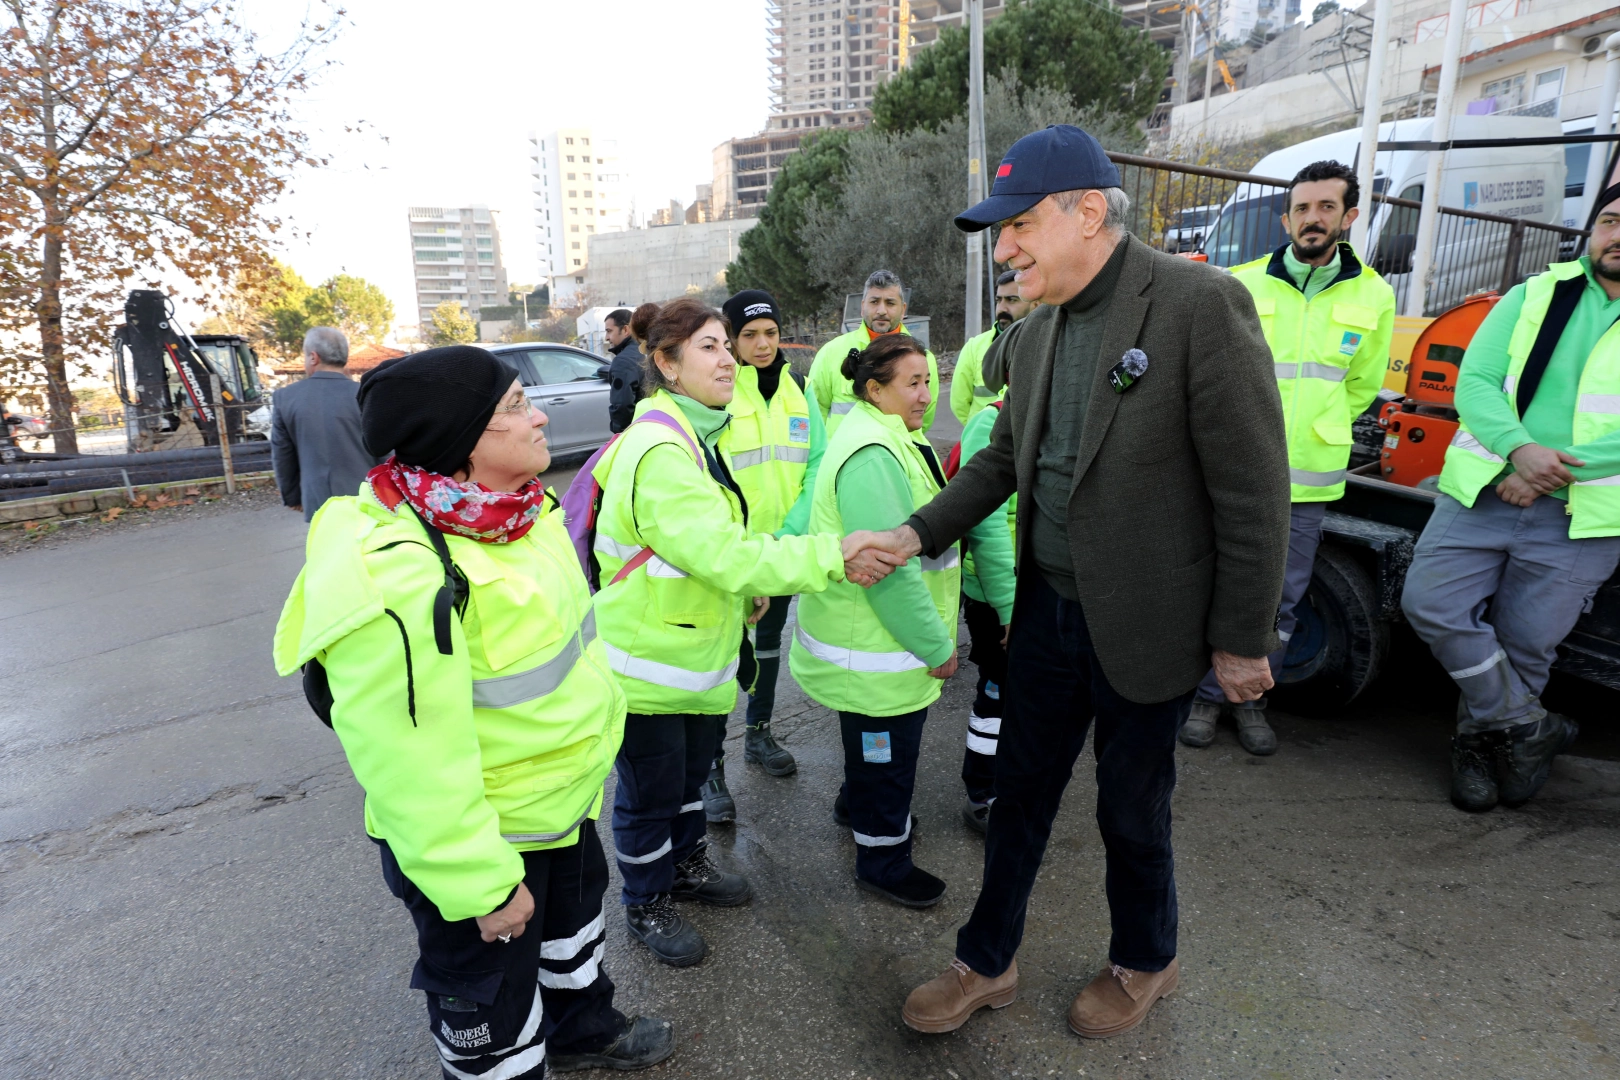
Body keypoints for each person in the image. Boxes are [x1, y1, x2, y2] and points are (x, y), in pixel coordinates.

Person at [864, 124, 1288, 1039]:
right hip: (1049, 614)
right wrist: (912, 531)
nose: (1003, 249)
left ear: (1087, 213)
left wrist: (1242, 637)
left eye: (1017, 226)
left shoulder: (1199, 306)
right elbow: (1001, 462)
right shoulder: (1038, 332)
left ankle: (1146, 960)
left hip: (1150, 620)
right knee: (1019, 791)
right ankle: (988, 961)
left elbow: (1252, 491)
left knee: (1132, 809)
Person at [271, 346, 673, 1078]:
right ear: (461, 445)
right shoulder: (401, 572)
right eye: (516, 407)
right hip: (482, 842)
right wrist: (480, 884)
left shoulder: (518, 512)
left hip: (559, 808)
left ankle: (583, 1029)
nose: (541, 413)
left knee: (572, 940)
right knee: (488, 1012)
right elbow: (407, 763)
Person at [590, 297, 896, 967]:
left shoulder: (697, 434)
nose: (727, 356)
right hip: (650, 667)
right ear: (665, 365)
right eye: (708, 346)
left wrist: (750, 588)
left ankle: (687, 864)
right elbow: (722, 551)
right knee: (649, 795)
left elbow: (715, 551)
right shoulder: (661, 450)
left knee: (690, 775)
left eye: (725, 344)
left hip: (693, 656)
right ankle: (648, 899)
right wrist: (830, 555)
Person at [1401, 184, 1620, 813]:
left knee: (1525, 644)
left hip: (1584, 515)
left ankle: (1480, 747)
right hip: (1484, 490)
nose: (1616, 234)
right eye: (1608, 220)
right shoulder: (1533, 295)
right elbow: (1475, 382)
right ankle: (1529, 726)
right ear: (1591, 230)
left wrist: (1546, 471)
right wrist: (1520, 449)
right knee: (1431, 605)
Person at [1180, 160, 1394, 756]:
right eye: (1302, 208)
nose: (1313, 219)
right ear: (1286, 217)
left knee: (1282, 599)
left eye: (1326, 207)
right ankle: (1204, 696)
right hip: (1230, 472)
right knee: (1214, 585)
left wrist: (1316, 428)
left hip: (1307, 479)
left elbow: (1359, 386)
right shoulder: (1242, 283)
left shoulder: (1374, 294)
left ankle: (1248, 700)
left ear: (1349, 216)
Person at [790, 334, 1000, 907]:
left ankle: (855, 806)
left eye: (929, 380)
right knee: (886, 754)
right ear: (874, 389)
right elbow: (891, 574)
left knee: (870, 751)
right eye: (913, 383)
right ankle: (882, 860)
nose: (926, 395)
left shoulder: (886, 436)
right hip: (878, 650)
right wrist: (938, 647)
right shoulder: (873, 455)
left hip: (876, 646)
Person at [698, 289, 828, 823]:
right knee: (720, 658)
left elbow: (817, 462)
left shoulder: (799, 388)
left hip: (781, 550)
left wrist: (788, 536)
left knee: (769, 645)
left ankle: (759, 733)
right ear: (731, 339)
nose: (761, 344)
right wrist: (744, 548)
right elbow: (704, 476)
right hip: (730, 556)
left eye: (770, 333)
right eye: (748, 335)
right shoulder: (719, 392)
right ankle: (710, 766)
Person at [955, 381, 1017, 834]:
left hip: (1046, 588)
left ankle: (1016, 784)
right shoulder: (991, 421)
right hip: (998, 593)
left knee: (1031, 696)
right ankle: (983, 793)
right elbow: (986, 523)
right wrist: (1010, 607)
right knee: (997, 691)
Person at [809, 270, 940, 437]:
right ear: (863, 307)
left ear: (903, 310)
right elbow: (814, 413)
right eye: (874, 302)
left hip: (899, 458)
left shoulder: (924, 359)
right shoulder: (831, 353)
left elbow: (925, 418)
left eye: (890, 303)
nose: (882, 310)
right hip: (845, 459)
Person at [270, 327, 379, 521]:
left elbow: (283, 456)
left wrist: (293, 497)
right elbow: (385, 451)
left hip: (318, 500)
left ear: (313, 357)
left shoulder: (285, 398)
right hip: (368, 499)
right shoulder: (368, 395)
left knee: (325, 549)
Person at [950, 270, 1035, 427]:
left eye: (1011, 300)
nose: (1002, 308)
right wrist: (980, 430)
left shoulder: (1046, 344)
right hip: (984, 442)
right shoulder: (974, 347)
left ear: (1034, 303)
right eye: (998, 300)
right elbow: (959, 404)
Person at [604, 308, 643, 434]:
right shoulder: (645, 351)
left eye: (609, 331)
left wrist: (620, 433)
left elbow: (622, 405)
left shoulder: (623, 361)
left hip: (636, 431)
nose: (606, 338)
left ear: (626, 330)